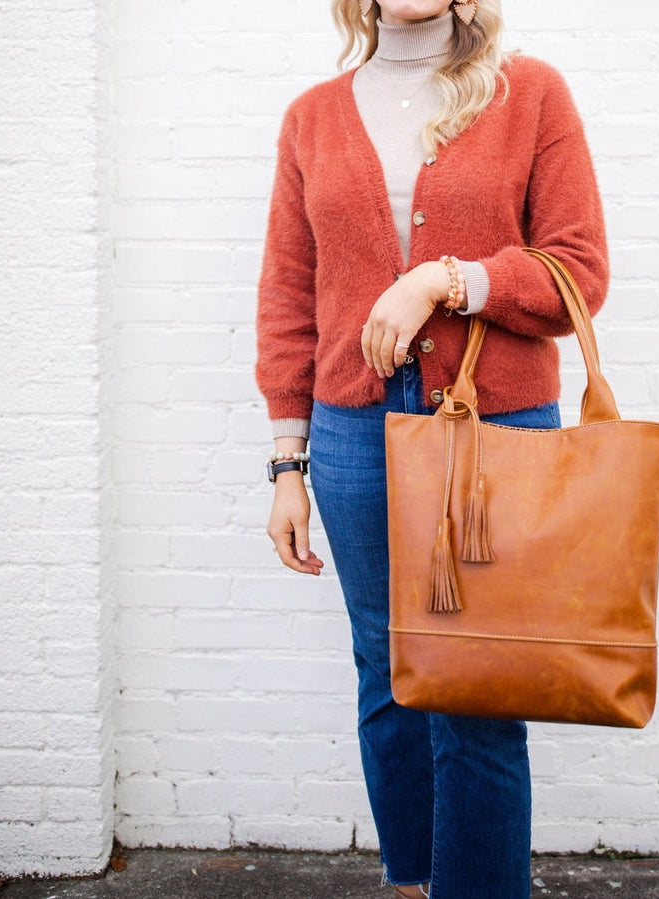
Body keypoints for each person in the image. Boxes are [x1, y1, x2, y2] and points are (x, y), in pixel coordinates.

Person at [255, 1, 608, 895]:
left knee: (480, 690)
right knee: (388, 674)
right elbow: (290, 297)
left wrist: (445, 280)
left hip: (497, 427)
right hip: (352, 430)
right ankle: (413, 882)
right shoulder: (311, 117)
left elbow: (580, 268)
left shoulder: (531, 93)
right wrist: (286, 464)